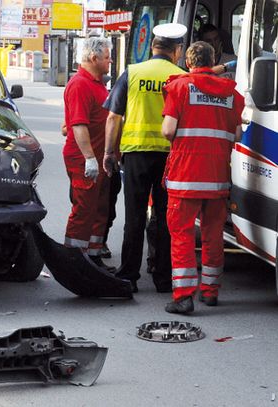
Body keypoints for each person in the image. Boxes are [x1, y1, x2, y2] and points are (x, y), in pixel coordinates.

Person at [102, 23, 187, 293]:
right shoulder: (182, 77)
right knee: (164, 217)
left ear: (152, 47)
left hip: (136, 154)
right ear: (177, 51)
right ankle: (163, 278)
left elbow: (114, 117)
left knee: (135, 216)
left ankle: (129, 275)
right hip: (170, 157)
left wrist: (108, 152)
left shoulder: (133, 73)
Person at [161, 41, 244, 314]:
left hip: (185, 177)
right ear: (213, 59)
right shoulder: (232, 94)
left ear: (188, 62)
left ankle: (183, 296)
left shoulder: (179, 87)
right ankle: (210, 291)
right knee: (213, 235)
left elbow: (167, 130)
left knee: (182, 235)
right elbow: (237, 136)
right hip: (218, 177)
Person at [62, 37, 115, 271]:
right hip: (85, 159)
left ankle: (93, 258)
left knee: (99, 208)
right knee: (84, 209)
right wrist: (90, 158)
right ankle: (74, 260)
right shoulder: (80, 84)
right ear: (94, 58)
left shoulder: (96, 83)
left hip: (99, 158)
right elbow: (79, 125)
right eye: (107, 57)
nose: (110, 61)